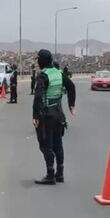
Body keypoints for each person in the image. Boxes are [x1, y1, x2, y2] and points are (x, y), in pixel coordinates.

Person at [32, 49, 77, 185]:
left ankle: (50, 174)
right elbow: (71, 86)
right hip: (59, 115)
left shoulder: (43, 76)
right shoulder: (59, 73)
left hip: (46, 116)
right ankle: (60, 173)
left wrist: (35, 116)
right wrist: (71, 105)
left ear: (41, 61)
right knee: (58, 144)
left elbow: (38, 96)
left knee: (46, 145)